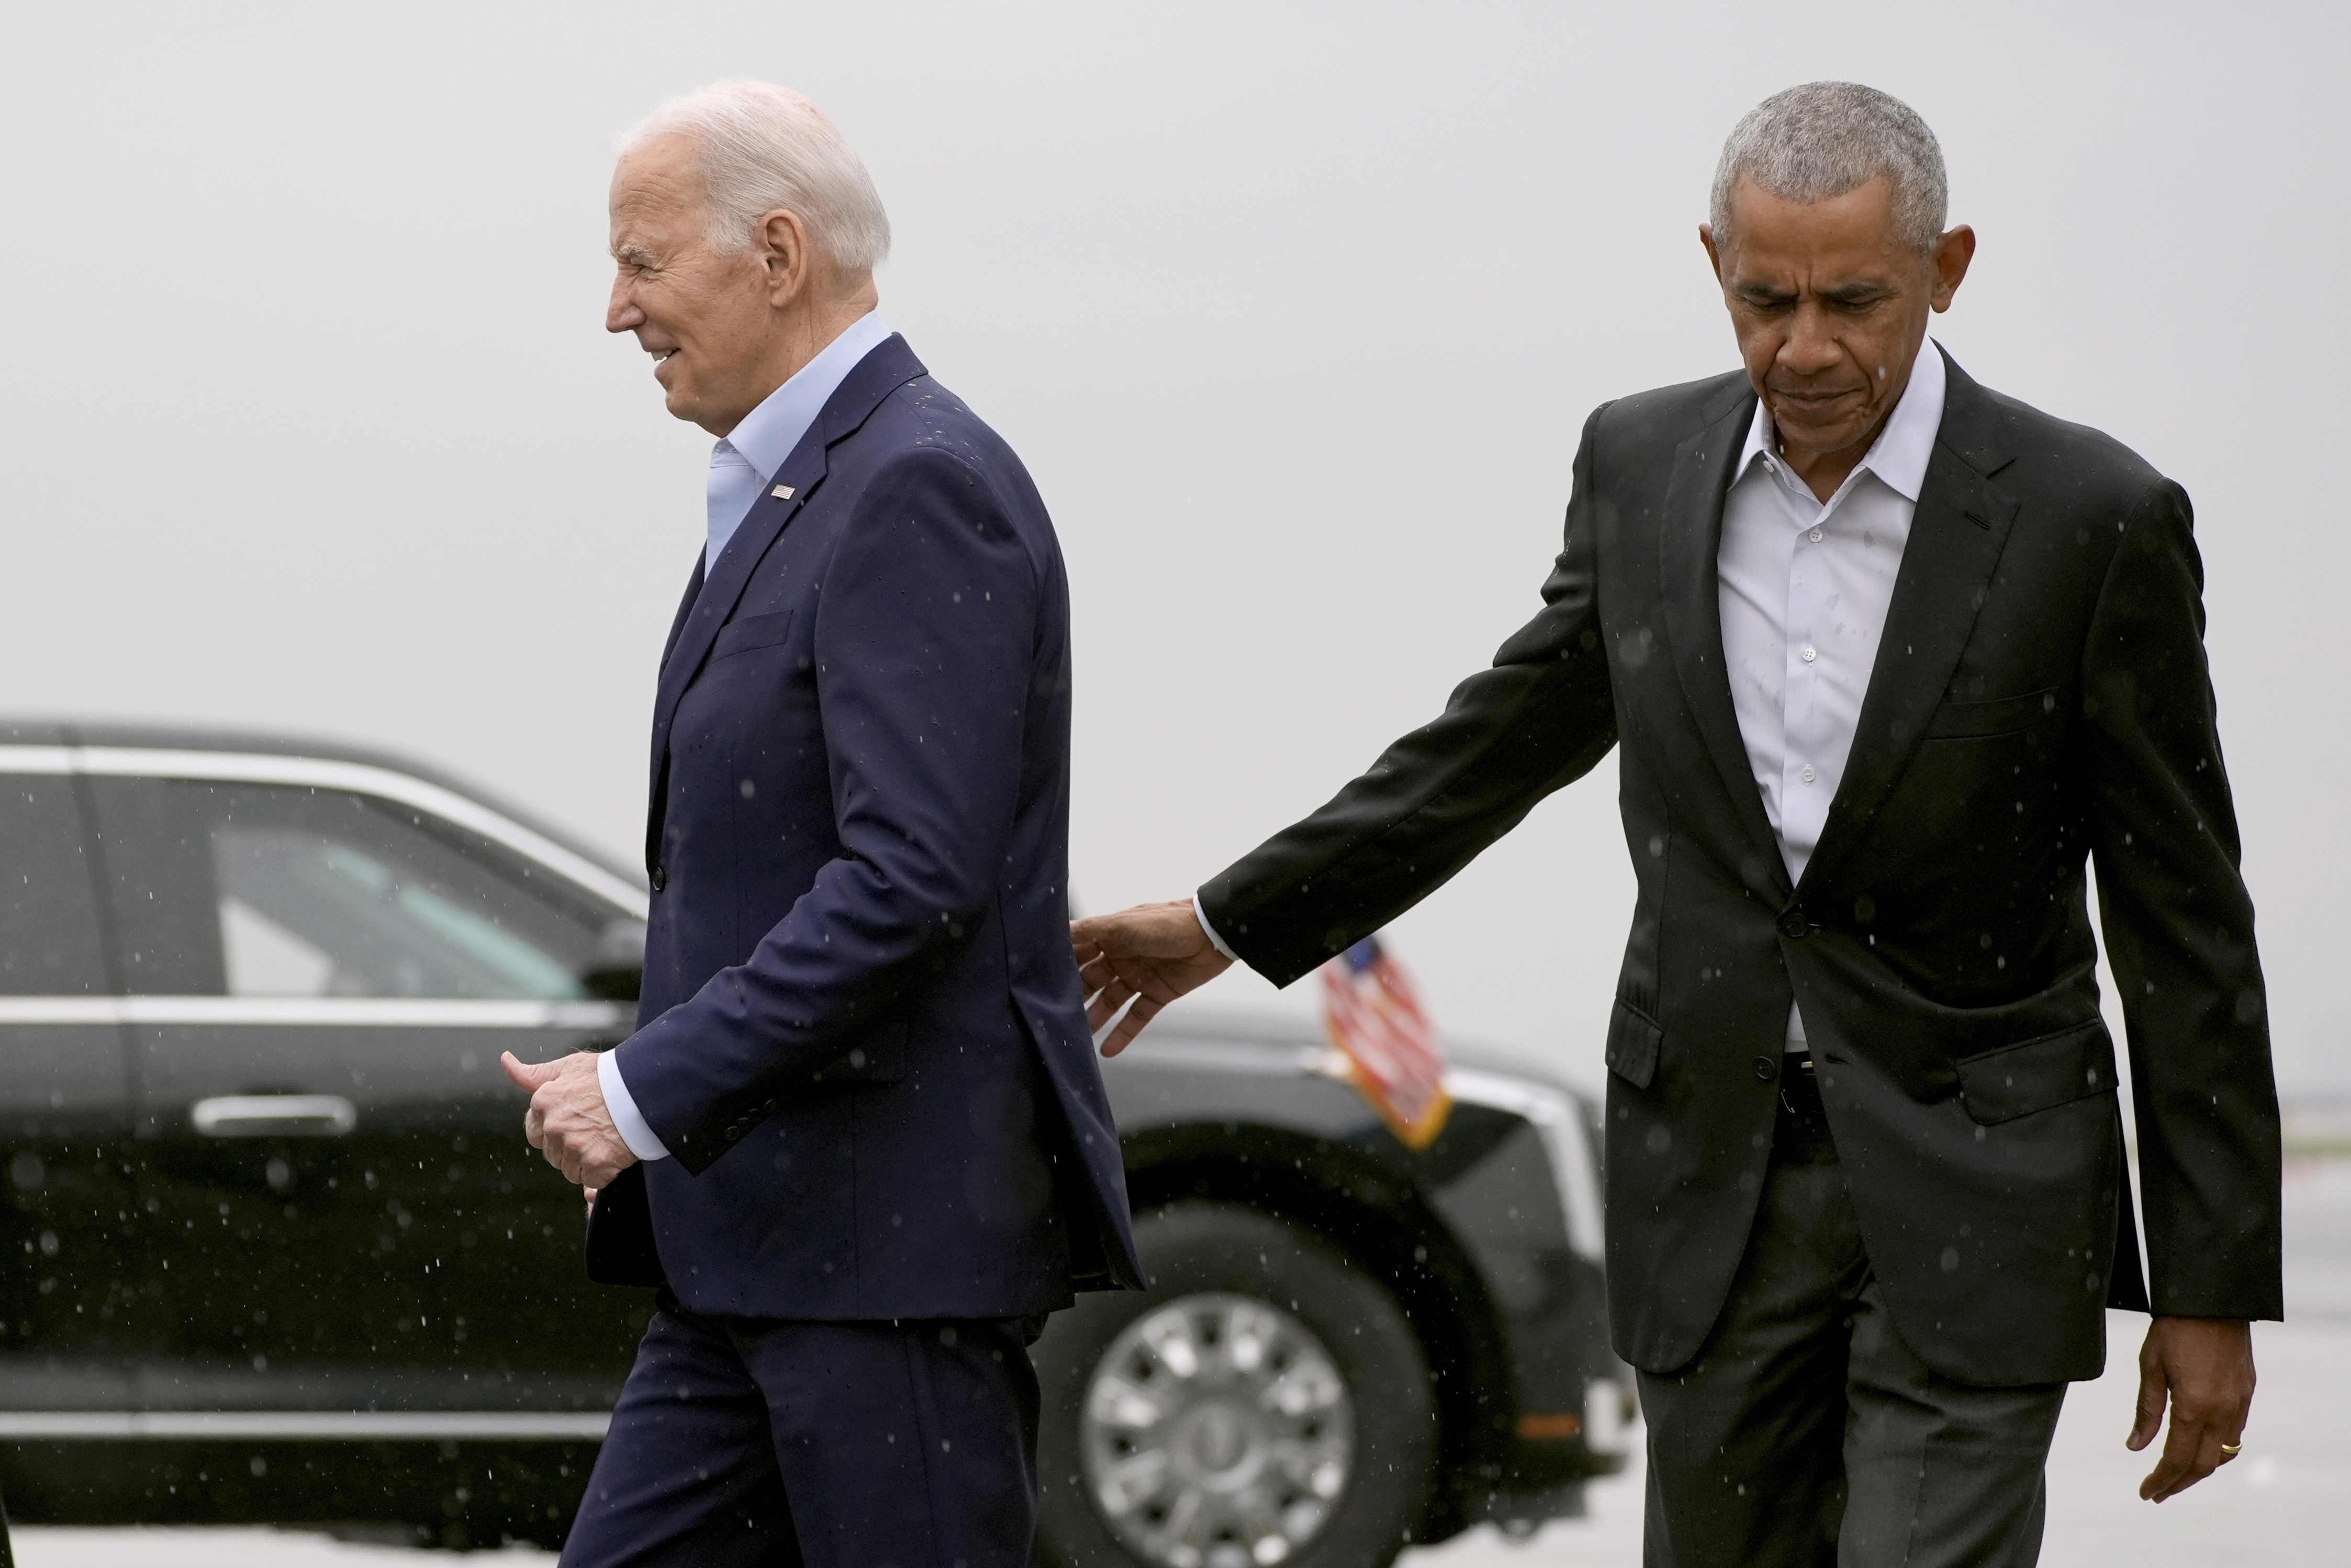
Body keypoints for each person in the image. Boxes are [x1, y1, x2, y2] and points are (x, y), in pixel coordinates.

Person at [1072, 82, 2280, 1567]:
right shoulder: (1639, 470)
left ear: (1945, 270)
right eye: (1763, 299)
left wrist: (2208, 1282)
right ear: (1711, 261)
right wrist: (1220, 922)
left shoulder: (2088, 518)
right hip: (1713, 1182)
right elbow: (1490, 748)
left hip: (1979, 1178)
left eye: (1853, 300)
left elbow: (2182, 921)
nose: (1803, 346)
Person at [501, 80, 1143, 1568]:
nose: (616, 310)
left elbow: (913, 881)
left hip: (887, 1265)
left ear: (775, 253)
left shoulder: (915, 482)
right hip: (752, 1260)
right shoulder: (799, 484)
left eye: (642, 264)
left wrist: (645, 1086)